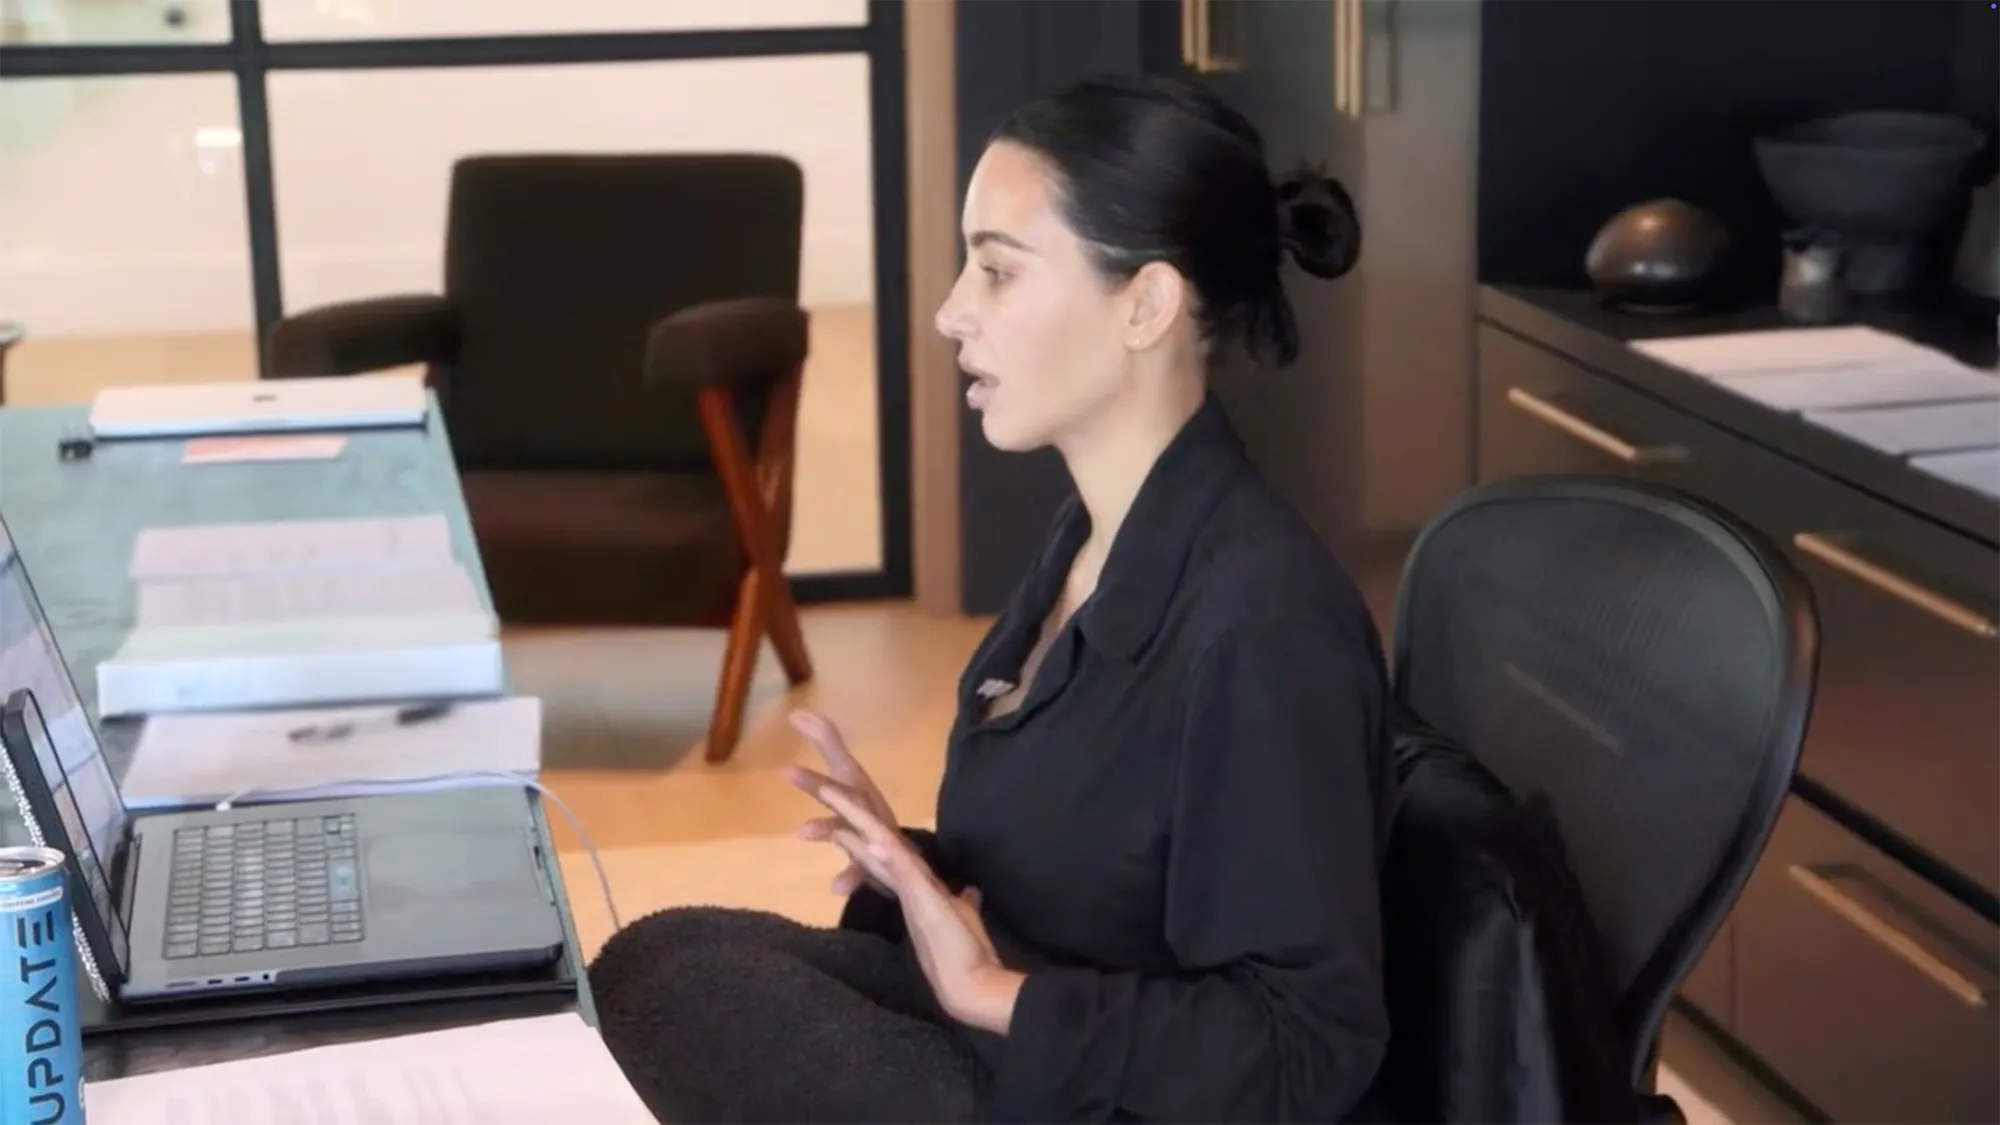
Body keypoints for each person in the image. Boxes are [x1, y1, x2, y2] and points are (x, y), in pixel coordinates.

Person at [588, 72, 1393, 1124]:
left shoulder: (1265, 627)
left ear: (1145, 304)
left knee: (675, 1002)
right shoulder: (1088, 538)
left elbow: (1303, 1049)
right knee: (658, 960)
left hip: (1098, 1097)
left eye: (998, 271)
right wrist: (912, 870)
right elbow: (1095, 881)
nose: (950, 312)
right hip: (1021, 1050)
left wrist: (992, 991)